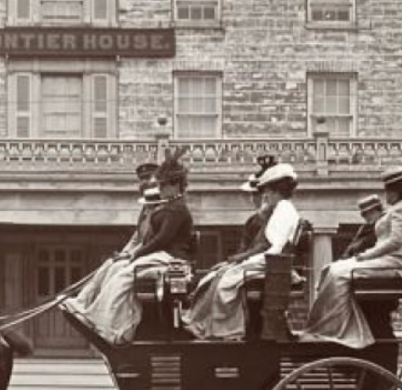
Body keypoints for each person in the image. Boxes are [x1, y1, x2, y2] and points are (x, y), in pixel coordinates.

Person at [72, 148, 194, 345]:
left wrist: (136, 255)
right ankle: (88, 308)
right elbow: (145, 238)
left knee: (125, 275)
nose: (160, 189)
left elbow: (162, 240)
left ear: (176, 185)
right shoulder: (169, 205)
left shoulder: (177, 209)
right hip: (161, 255)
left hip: (171, 257)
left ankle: (104, 321)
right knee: (115, 268)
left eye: (164, 185)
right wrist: (130, 254)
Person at [300, 167, 402, 348]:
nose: (387, 195)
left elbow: (394, 242)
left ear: (397, 191)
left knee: (340, 274)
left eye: (389, 191)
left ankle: (336, 328)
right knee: (330, 269)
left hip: (393, 262)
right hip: (382, 259)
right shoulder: (395, 210)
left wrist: (367, 256)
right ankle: (324, 324)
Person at [183, 162, 301, 341]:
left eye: (267, 191)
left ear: (276, 191)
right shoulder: (279, 210)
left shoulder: (283, 211)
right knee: (218, 276)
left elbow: (274, 248)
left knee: (226, 280)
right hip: (267, 260)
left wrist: (244, 260)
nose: (265, 195)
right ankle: (204, 322)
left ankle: (224, 328)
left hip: (271, 262)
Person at [62, 162, 159, 313]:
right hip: (138, 255)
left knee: (116, 269)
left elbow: (154, 240)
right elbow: (136, 238)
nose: (144, 183)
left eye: (148, 178)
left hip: (150, 256)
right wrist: (123, 253)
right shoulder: (147, 207)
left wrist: (129, 255)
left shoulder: (160, 207)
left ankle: (100, 311)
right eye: (141, 179)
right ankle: (82, 302)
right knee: (108, 265)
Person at [340, 194, 382, 259]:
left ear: (379, 211)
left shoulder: (385, 224)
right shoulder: (364, 228)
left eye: (371, 213)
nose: (368, 217)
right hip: (358, 259)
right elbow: (351, 247)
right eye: (365, 215)